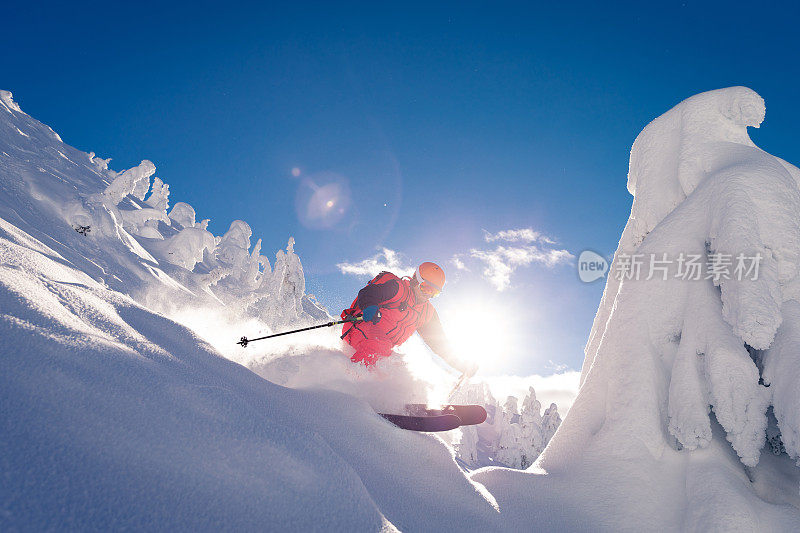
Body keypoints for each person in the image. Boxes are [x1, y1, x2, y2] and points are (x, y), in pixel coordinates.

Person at [341, 261, 478, 376]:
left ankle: (383, 401)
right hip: (359, 327)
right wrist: (369, 306)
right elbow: (367, 293)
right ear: (416, 280)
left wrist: (462, 365)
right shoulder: (398, 288)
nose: (428, 295)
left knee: (398, 369)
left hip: (383, 344)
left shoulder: (426, 313)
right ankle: (349, 382)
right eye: (425, 288)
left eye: (434, 292)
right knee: (379, 346)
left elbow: (439, 344)